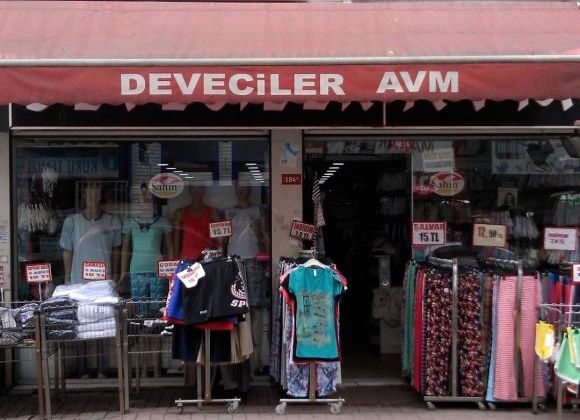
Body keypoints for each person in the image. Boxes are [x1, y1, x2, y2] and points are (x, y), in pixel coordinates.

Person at [59, 180, 122, 379]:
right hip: (79, 281)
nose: (93, 194)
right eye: (89, 190)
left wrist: (117, 276)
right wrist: (67, 278)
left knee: (102, 323)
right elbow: (67, 250)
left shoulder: (112, 221)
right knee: (81, 324)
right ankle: (82, 368)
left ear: (100, 194)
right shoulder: (72, 222)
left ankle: (103, 368)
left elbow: (117, 251)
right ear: (84, 194)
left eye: (97, 190)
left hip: (103, 283)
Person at [224, 183, 270, 375]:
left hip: (254, 260)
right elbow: (222, 239)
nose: (242, 191)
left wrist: (268, 258)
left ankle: (255, 359)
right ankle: (239, 356)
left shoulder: (257, 210)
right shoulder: (228, 212)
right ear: (235, 190)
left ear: (250, 190)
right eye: (239, 187)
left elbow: (265, 235)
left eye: (246, 187)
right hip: (234, 261)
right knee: (236, 308)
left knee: (255, 308)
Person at [121, 182, 173, 314]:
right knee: (139, 310)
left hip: (158, 271)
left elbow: (170, 249)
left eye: (148, 199)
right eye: (141, 199)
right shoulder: (130, 222)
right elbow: (125, 250)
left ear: (153, 201)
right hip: (136, 270)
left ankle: (155, 327)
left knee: (157, 308)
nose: (144, 202)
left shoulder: (163, 222)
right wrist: (122, 274)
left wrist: (172, 273)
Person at [172, 185, 221, 260]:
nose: (196, 191)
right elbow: (176, 240)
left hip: (207, 258)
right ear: (190, 190)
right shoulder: (180, 213)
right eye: (194, 188)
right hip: (187, 258)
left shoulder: (213, 212)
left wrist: (220, 256)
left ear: (203, 190)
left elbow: (219, 239)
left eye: (199, 188)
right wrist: (176, 260)